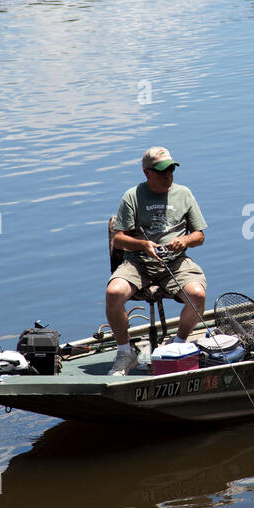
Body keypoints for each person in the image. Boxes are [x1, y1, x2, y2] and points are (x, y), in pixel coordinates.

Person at [106, 146, 208, 376]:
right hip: (138, 263)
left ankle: (179, 342)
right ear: (146, 173)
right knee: (113, 293)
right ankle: (125, 353)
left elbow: (199, 236)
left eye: (171, 169)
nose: (168, 175)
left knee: (198, 295)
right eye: (162, 171)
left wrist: (184, 241)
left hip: (175, 263)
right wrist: (143, 245)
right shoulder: (132, 196)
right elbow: (119, 239)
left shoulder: (184, 194)